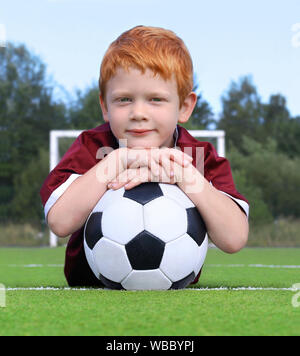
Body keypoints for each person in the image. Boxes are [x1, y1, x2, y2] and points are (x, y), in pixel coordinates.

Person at [40, 25, 249, 287]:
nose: (138, 112)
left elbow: (234, 238)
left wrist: (184, 177)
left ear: (184, 107)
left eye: (155, 99)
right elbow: (60, 223)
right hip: (91, 289)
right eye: (124, 99)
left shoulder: (197, 156)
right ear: (105, 106)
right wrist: (117, 161)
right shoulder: (91, 147)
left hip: (175, 292)